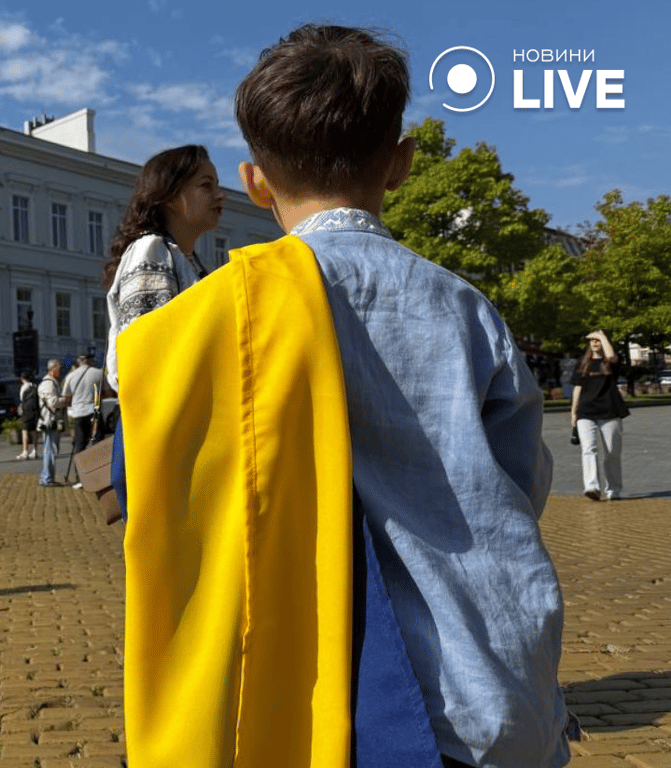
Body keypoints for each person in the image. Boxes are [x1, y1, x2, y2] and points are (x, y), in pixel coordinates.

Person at [118, 25, 567, 768]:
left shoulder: (205, 319)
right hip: (478, 695)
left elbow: (157, 493)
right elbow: (519, 484)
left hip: (289, 695)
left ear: (255, 182)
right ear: (401, 164)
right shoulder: (463, 308)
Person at [103, 145, 225, 392]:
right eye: (206, 185)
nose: (220, 195)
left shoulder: (192, 261)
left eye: (217, 185)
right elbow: (144, 357)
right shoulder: (152, 250)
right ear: (170, 197)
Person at [570, 329, 628, 502]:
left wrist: (602, 336)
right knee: (588, 449)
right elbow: (577, 388)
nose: (595, 343)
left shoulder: (610, 361)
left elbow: (611, 357)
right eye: (593, 340)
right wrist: (573, 412)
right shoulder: (583, 363)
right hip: (586, 411)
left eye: (598, 341)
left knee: (612, 453)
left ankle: (613, 489)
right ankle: (592, 486)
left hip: (610, 410)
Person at [60, 354, 104, 484]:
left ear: (79, 362)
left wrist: (73, 403)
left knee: (79, 444)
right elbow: (106, 393)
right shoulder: (98, 373)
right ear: (89, 361)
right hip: (93, 411)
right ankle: (99, 474)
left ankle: (79, 476)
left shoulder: (70, 376)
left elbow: (66, 397)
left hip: (78, 413)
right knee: (97, 443)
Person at [36, 359, 64, 487]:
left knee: (51, 449)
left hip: (49, 419)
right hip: (49, 420)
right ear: (54, 368)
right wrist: (64, 400)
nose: (61, 371)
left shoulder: (51, 382)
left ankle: (48, 477)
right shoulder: (48, 383)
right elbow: (52, 402)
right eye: (60, 368)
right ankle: (47, 478)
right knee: (50, 450)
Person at [15, 372, 39, 460]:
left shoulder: (24, 387)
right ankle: (35, 450)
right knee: (35, 431)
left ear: (22, 378)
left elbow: (22, 399)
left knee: (25, 431)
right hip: (35, 411)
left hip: (26, 412)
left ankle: (25, 451)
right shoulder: (35, 386)